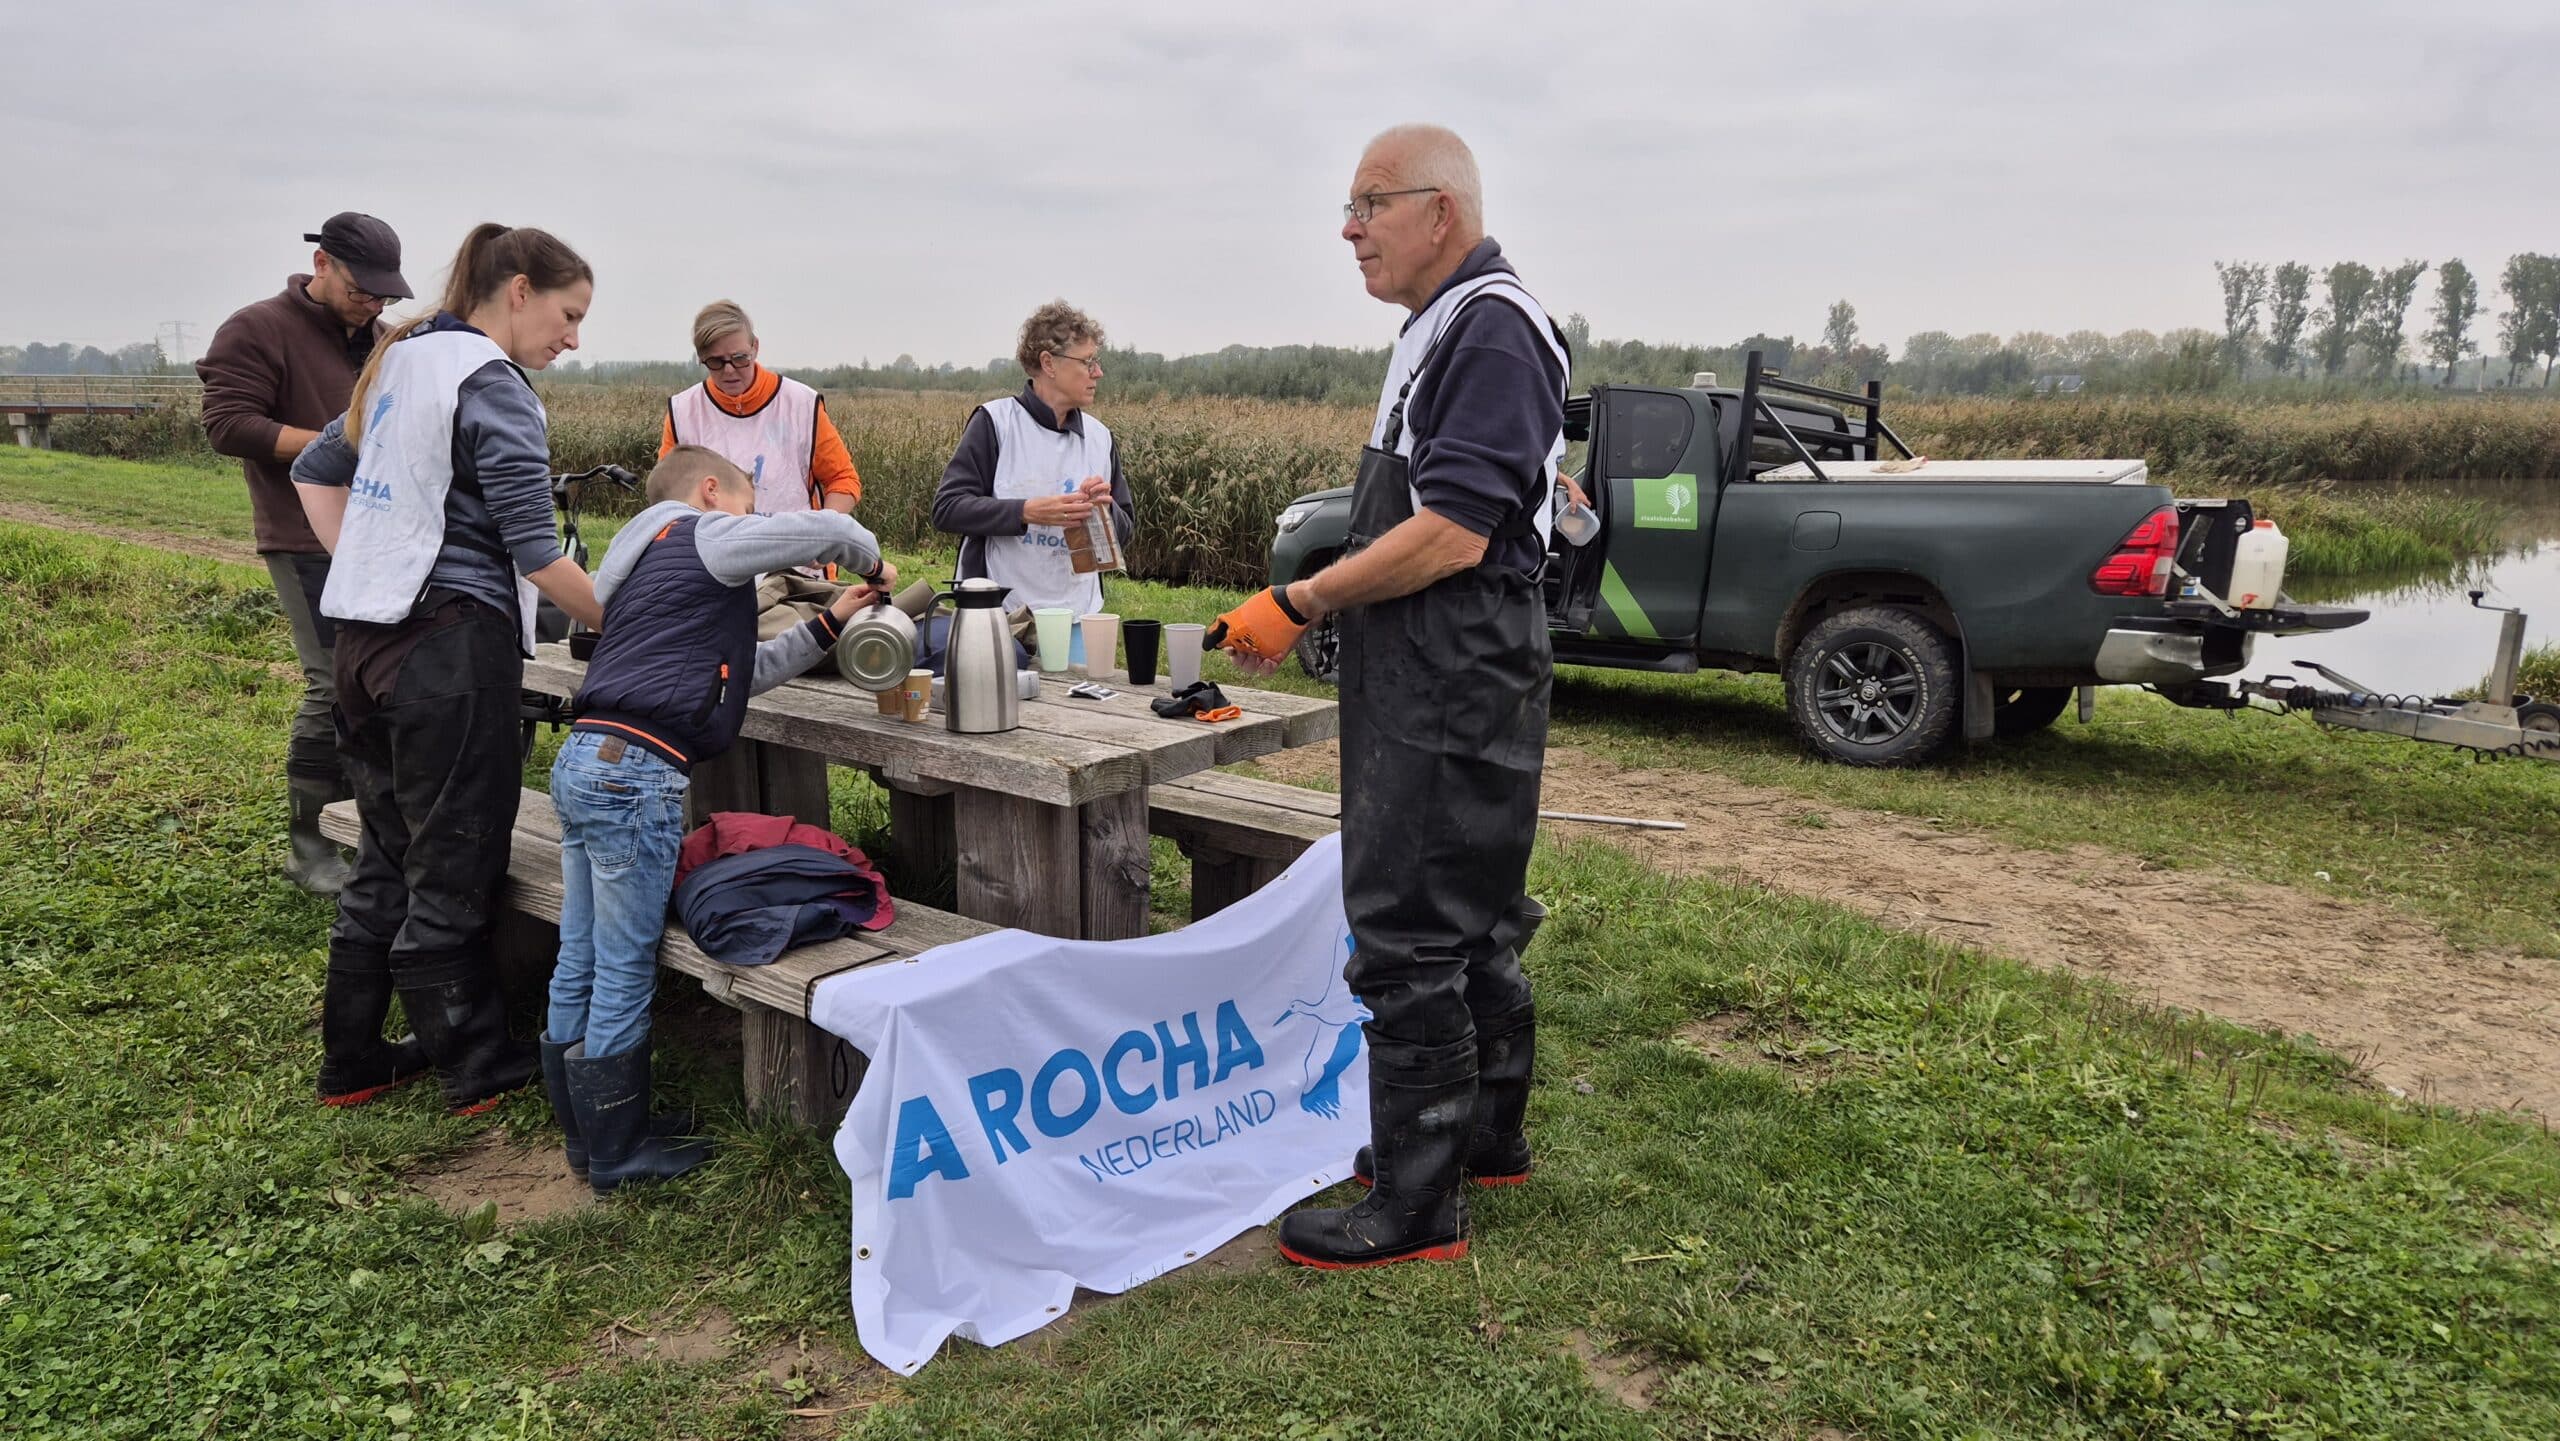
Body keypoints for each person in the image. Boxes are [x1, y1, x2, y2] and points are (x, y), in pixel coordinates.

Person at [1214, 125, 1571, 1268]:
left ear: (1441, 214)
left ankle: (1416, 1205)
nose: (1348, 227)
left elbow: (1454, 532)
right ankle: (1477, 1139)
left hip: (1446, 662)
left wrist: (1304, 597)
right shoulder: (1450, 325)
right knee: (1468, 909)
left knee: (1411, 925)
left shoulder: (1493, 328)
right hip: (1448, 660)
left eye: (1370, 203)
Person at [292, 224, 606, 1116]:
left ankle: (350, 1059)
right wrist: (625, 626)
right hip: (448, 651)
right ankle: (475, 1063)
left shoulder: (402, 358)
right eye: (569, 313)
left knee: (388, 851)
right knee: (456, 854)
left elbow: (317, 470)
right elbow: (539, 553)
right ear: (517, 289)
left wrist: (372, 562)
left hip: (364, 639)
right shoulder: (490, 381)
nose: (573, 338)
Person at [539, 445, 892, 1193]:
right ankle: (618, 1152)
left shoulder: (641, 573)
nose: (749, 521)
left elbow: (735, 675)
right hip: (636, 775)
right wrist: (873, 563)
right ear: (710, 491)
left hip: (584, 758)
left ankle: (585, 1134)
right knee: (625, 962)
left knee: (583, 950)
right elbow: (822, 528)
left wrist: (829, 623)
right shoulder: (699, 532)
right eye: (746, 501)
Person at [197, 212, 410, 902]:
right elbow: (230, 425)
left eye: (385, 295)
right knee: (329, 684)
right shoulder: (256, 329)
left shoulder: (380, 341)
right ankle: (308, 843)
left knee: (375, 681)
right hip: (298, 533)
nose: (374, 304)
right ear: (323, 265)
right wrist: (336, 442)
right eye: (362, 289)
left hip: (375, 534)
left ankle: (366, 825)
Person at [931, 301, 1135, 619]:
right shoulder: (995, 422)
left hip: (1079, 615)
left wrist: (1104, 510)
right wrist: (1026, 512)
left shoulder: (1101, 437)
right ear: (1048, 363)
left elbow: (1125, 532)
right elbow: (947, 508)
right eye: (1087, 361)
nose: (1098, 372)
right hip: (999, 618)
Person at [660, 300, 863, 522]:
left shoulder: (802, 404)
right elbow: (668, 495)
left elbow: (842, 479)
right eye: (715, 362)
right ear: (701, 358)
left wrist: (822, 532)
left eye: (739, 358)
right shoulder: (683, 412)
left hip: (796, 552)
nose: (729, 371)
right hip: (713, 553)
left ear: (755, 347)